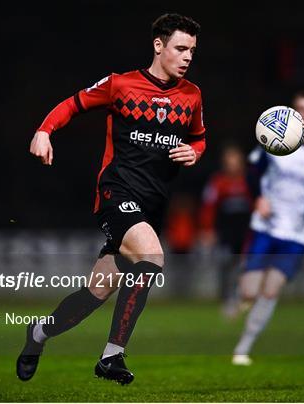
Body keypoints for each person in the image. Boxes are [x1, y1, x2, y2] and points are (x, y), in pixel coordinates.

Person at [17, 13, 205, 385]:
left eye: (192, 51)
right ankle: (111, 357)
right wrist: (43, 131)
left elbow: (199, 137)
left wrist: (195, 152)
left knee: (96, 291)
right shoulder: (122, 85)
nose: (187, 57)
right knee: (152, 256)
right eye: (180, 48)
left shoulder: (192, 95)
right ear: (159, 45)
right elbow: (72, 104)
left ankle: (38, 333)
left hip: (151, 206)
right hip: (115, 192)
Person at [232, 90, 304, 366]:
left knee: (271, 290)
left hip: (298, 233)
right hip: (266, 227)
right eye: (302, 109)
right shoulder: (272, 142)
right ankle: (242, 295)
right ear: (292, 112)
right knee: (249, 290)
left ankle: (243, 347)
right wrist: (258, 197)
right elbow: (252, 173)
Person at [199, 145, 253, 315]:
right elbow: (208, 206)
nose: (232, 164)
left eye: (235, 160)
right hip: (226, 234)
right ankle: (227, 300)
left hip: (247, 233)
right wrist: (207, 230)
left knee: (247, 267)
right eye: (229, 161)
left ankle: (244, 298)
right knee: (226, 265)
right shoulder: (218, 182)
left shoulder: (250, 180)